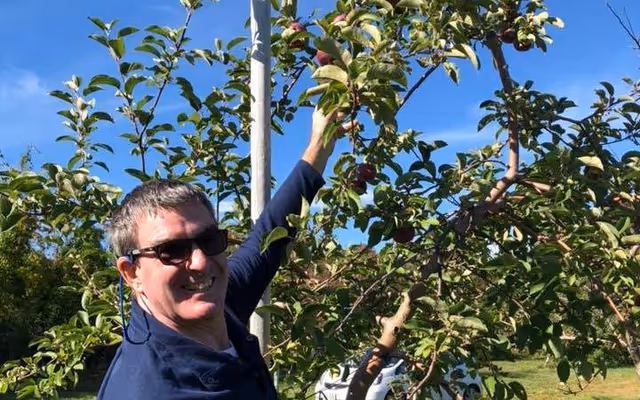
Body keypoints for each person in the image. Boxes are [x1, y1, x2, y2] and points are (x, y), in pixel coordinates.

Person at [97, 108, 354, 399]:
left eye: (209, 240)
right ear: (132, 274)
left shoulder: (211, 306)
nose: (201, 262)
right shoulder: (157, 390)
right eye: (171, 250)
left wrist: (318, 147)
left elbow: (267, 240)